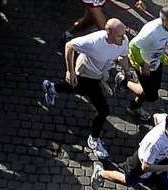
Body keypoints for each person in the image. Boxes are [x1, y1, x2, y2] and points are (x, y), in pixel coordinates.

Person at [45, 17, 130, 160]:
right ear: (108, 33)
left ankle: (52, 87)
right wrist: (70, 71)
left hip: (98, 73)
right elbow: (69, 46)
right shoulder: (93, 42)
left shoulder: (123, 39)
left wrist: (127, 71)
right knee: (103, 110)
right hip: (86, 72)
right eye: (120, 36)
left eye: (124, 34)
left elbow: (122, 56)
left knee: (79, 89)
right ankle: (94, 139)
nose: (124, 39)